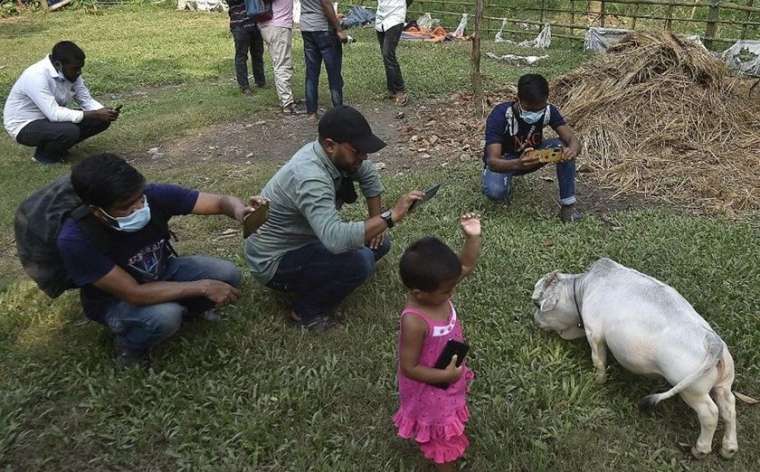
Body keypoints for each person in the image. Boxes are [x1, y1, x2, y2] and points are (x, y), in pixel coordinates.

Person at [57, 153, 267, 368]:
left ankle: (190, 312)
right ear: (97, 212)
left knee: (227, 273)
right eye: (126, 207)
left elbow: (220, 202)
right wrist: (203, 287)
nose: (139, 207)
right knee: (165, 316)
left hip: (162, 270)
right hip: (116, 301)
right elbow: (134, 294)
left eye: (140, 198)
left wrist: (241, 212)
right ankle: (130, 346)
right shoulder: (76, 239)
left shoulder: (153, 196)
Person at [245, 106, 423, 330]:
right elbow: (335, 239)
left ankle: (321, 276)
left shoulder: (335, 156)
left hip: (306, 241)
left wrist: (377, 219)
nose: (364, 156)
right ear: (330, 145)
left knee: (380, 242)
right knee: (361, 260)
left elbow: (368, 175)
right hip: (274, 261)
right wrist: (390, 216)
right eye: (357, 151)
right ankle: (305, 312)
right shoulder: (310, 177)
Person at [393, 214, 482, 471]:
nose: (452, 293)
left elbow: (464, 267)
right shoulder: (415, 320)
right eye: (447, 290)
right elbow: (409, 367)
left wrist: (473, 237)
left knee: (448, 419)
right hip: (429, 388)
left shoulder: (437, 292)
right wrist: (445, 375)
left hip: (448, 376)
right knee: (442, 439)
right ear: (418, 293)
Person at [481, 73, 582, 222]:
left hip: (534, 157)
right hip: (505, 162)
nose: (535, 114)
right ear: (517, 99)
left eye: (539, 109)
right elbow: (492, 161)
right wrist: (518, 163)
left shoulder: (548, 111)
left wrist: (572, 150)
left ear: (546, 101)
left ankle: (568, 207)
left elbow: (571, 139)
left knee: (563, 147)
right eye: (529, 109)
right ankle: (504, 183)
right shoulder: (501, 115)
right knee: (496, 192)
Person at [3, 41, 119, 164]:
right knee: (69, 131)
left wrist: (105, 112)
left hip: (48, 120)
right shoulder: (36, 76)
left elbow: (86, 100)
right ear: (58, 64)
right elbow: (54, 113)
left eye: (80, 68)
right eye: (75, 69)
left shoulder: (71, 73)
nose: (79, 72)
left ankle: (58, 148)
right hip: (24, 125)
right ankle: (44, 157)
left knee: (100, 120)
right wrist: (95, 113)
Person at [300, 0, 347, 119]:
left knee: (311, 73)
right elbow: (325, 3)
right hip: (323, 28)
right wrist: (339, 29)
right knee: (333, 72)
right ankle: (338, 111)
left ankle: (311, 112)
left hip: (306, 27)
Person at [258, 0, 299, 114]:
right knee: (282, 64)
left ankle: (286, 99)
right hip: (278, 25)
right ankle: (287, 103)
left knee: (280, 62)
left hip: (270, 24)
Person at [227, 0, 266, 95]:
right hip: (239, 24)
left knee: (258, 53)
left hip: (255, 22)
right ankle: (244, 86)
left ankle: (260, 81)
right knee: (241, 56)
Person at [375, 0, 408, 105]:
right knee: (385, 56)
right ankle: (391, 90)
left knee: (388, 53)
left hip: (395, 16)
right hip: (381, 17)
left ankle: (400, 90)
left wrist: (401, 5)